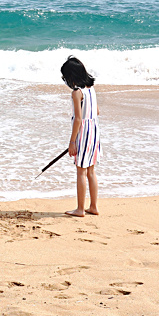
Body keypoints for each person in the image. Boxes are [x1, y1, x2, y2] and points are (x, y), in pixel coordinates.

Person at [61, 55, 100, 217]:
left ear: (71, 77)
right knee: (91, 171)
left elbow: (78, 119)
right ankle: (93, 207)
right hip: (94, 130)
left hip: (83, 133)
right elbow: (97, 111)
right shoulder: (91, 89)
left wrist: (72, 142)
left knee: (81, 171)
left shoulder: (77, 93)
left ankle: (80, 209)